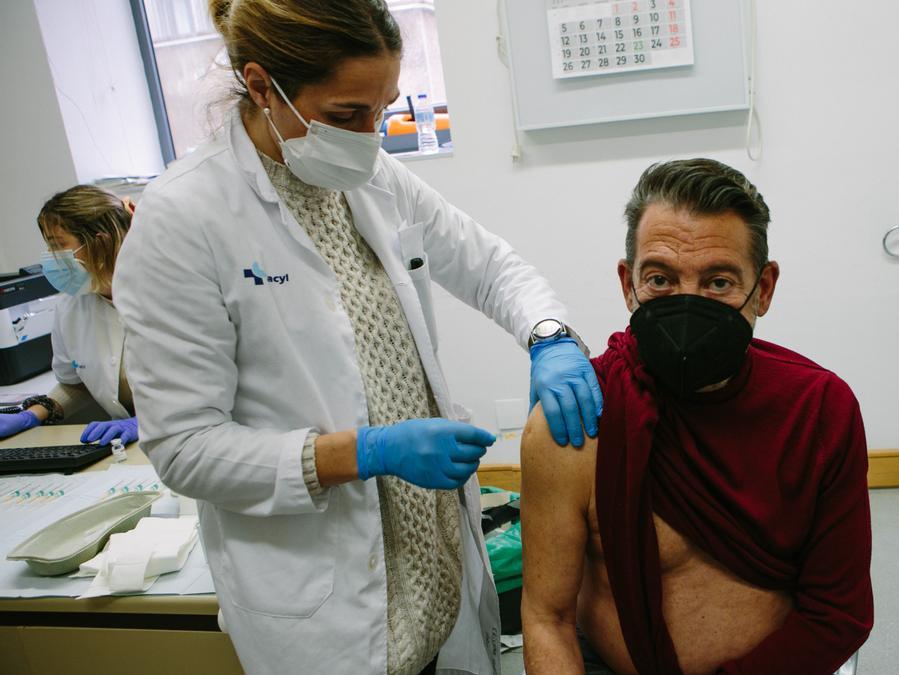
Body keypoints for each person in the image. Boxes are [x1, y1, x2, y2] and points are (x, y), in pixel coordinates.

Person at [112, 1, 601, 673]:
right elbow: (186, 447)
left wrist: (548, 336)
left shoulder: (370, 175)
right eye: (347, 114)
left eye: (384, 108)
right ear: (261, 86)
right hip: (326, 613)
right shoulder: (183, 219)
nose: (371, 135)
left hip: (433, 579)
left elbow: (487, 264)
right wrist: (362, 452)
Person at [521, 159, 873, 675]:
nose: (687, 305)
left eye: (718, 282)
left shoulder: (818, 409)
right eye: (661, 279)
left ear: (765, 288)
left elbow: (839, 614)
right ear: (628, 284)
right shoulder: (578, 420)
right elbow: (547, 618)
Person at [0, 186, 139, 447]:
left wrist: (148, 422)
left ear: (102, 241)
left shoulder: (168, 293)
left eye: (58, 246)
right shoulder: (71, 304)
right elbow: (76, 385)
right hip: (127, 445)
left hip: (196, 435)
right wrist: (32, 415)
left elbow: (215, 384)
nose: (52, 259)